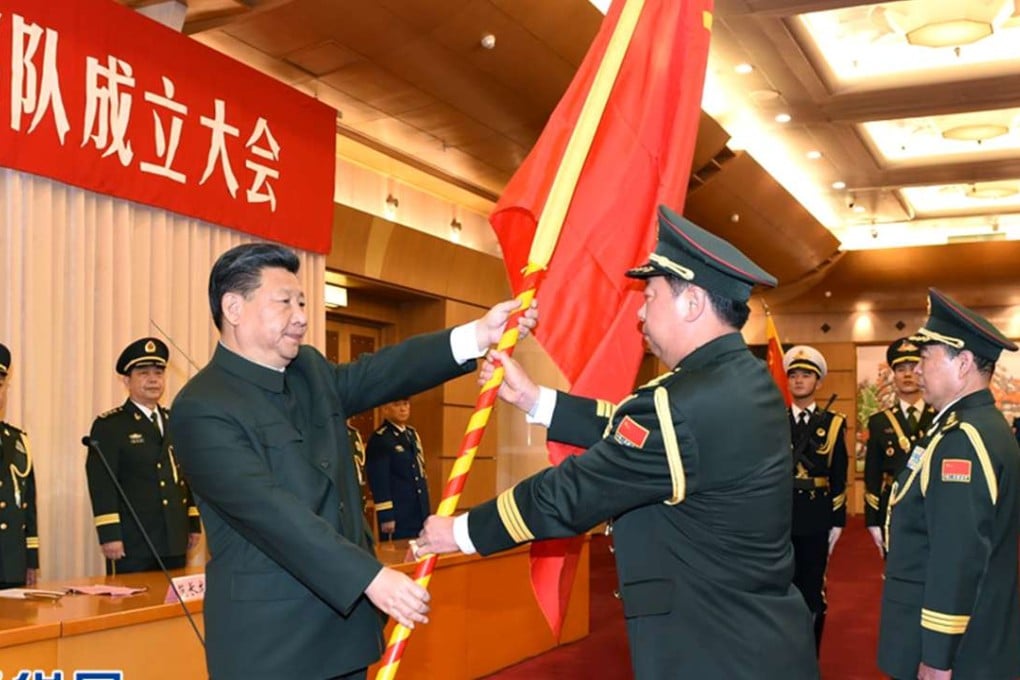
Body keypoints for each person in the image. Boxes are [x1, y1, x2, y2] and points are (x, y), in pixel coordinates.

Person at [419, 206, 819, 679]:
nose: (640, 312)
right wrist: (533, 398)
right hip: (757, 639)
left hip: (712, 651)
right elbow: (633, 433)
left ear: (691, 303)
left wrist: (461, 532)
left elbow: (573, 491)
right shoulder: (742, 381)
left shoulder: (685, 403)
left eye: (650, 297)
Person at [168, 242, 537, 680]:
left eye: (302, 301)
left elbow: (381, 372)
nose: (302, 316)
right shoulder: (202, 406)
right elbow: (271, 514)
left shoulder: (308, 369)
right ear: (233, 307)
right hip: (271, 646)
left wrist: (477, 334)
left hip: (344, 631)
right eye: (285, 302)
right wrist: (371, 578)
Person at [878, 288, 1020, 680]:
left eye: (925, 357)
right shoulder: (968, 428)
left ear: (964, 364)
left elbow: (957, 557)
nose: (917, 370)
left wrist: (938, 656)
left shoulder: (964, 440)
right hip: (975, 638)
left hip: (956, 651)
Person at [85, 337, 201, 574]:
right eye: (144, 373)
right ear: (127, 380)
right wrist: (110, 534)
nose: (153, 380)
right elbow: (102, 483)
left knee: (171, 608)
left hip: (173, 537)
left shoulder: (175, 421)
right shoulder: (111, 425)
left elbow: (187, 476)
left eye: (158, 373)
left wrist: (192, 522)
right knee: (132, 605)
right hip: (132, 541)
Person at [783, 345, 848, 656]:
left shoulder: (833, 423)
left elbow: (839, 474)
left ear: (818, 382)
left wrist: (837, 520)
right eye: (793, 375)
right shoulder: (774, 420)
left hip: (815, 516)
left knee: (813, 590)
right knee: (782, 588)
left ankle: (809, 656)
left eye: (806, 375)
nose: (798, 380)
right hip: (781, 517)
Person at [863, 338, 934, 557]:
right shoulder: (879, 421)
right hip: (894, 505)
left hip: (932, 502)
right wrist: (872, 519)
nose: (908, 374)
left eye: (913, 368)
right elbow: (872, 472)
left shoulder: (941, 416)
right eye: (901, 369)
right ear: (894, 376)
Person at [0, 344, 39, 588]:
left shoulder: (17, 440)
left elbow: (28, 506)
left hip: (11, 562)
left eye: (0, 384)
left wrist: (31, 559)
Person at [365, 398, 429, 540]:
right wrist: (386, 514)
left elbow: (420, 473)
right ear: (385, 409)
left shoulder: (412, 434)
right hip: (398, 513)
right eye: (397, 405)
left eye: (405, 404)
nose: (403, 409)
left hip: (417, 510)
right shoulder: (380, 439)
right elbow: (379, 479)